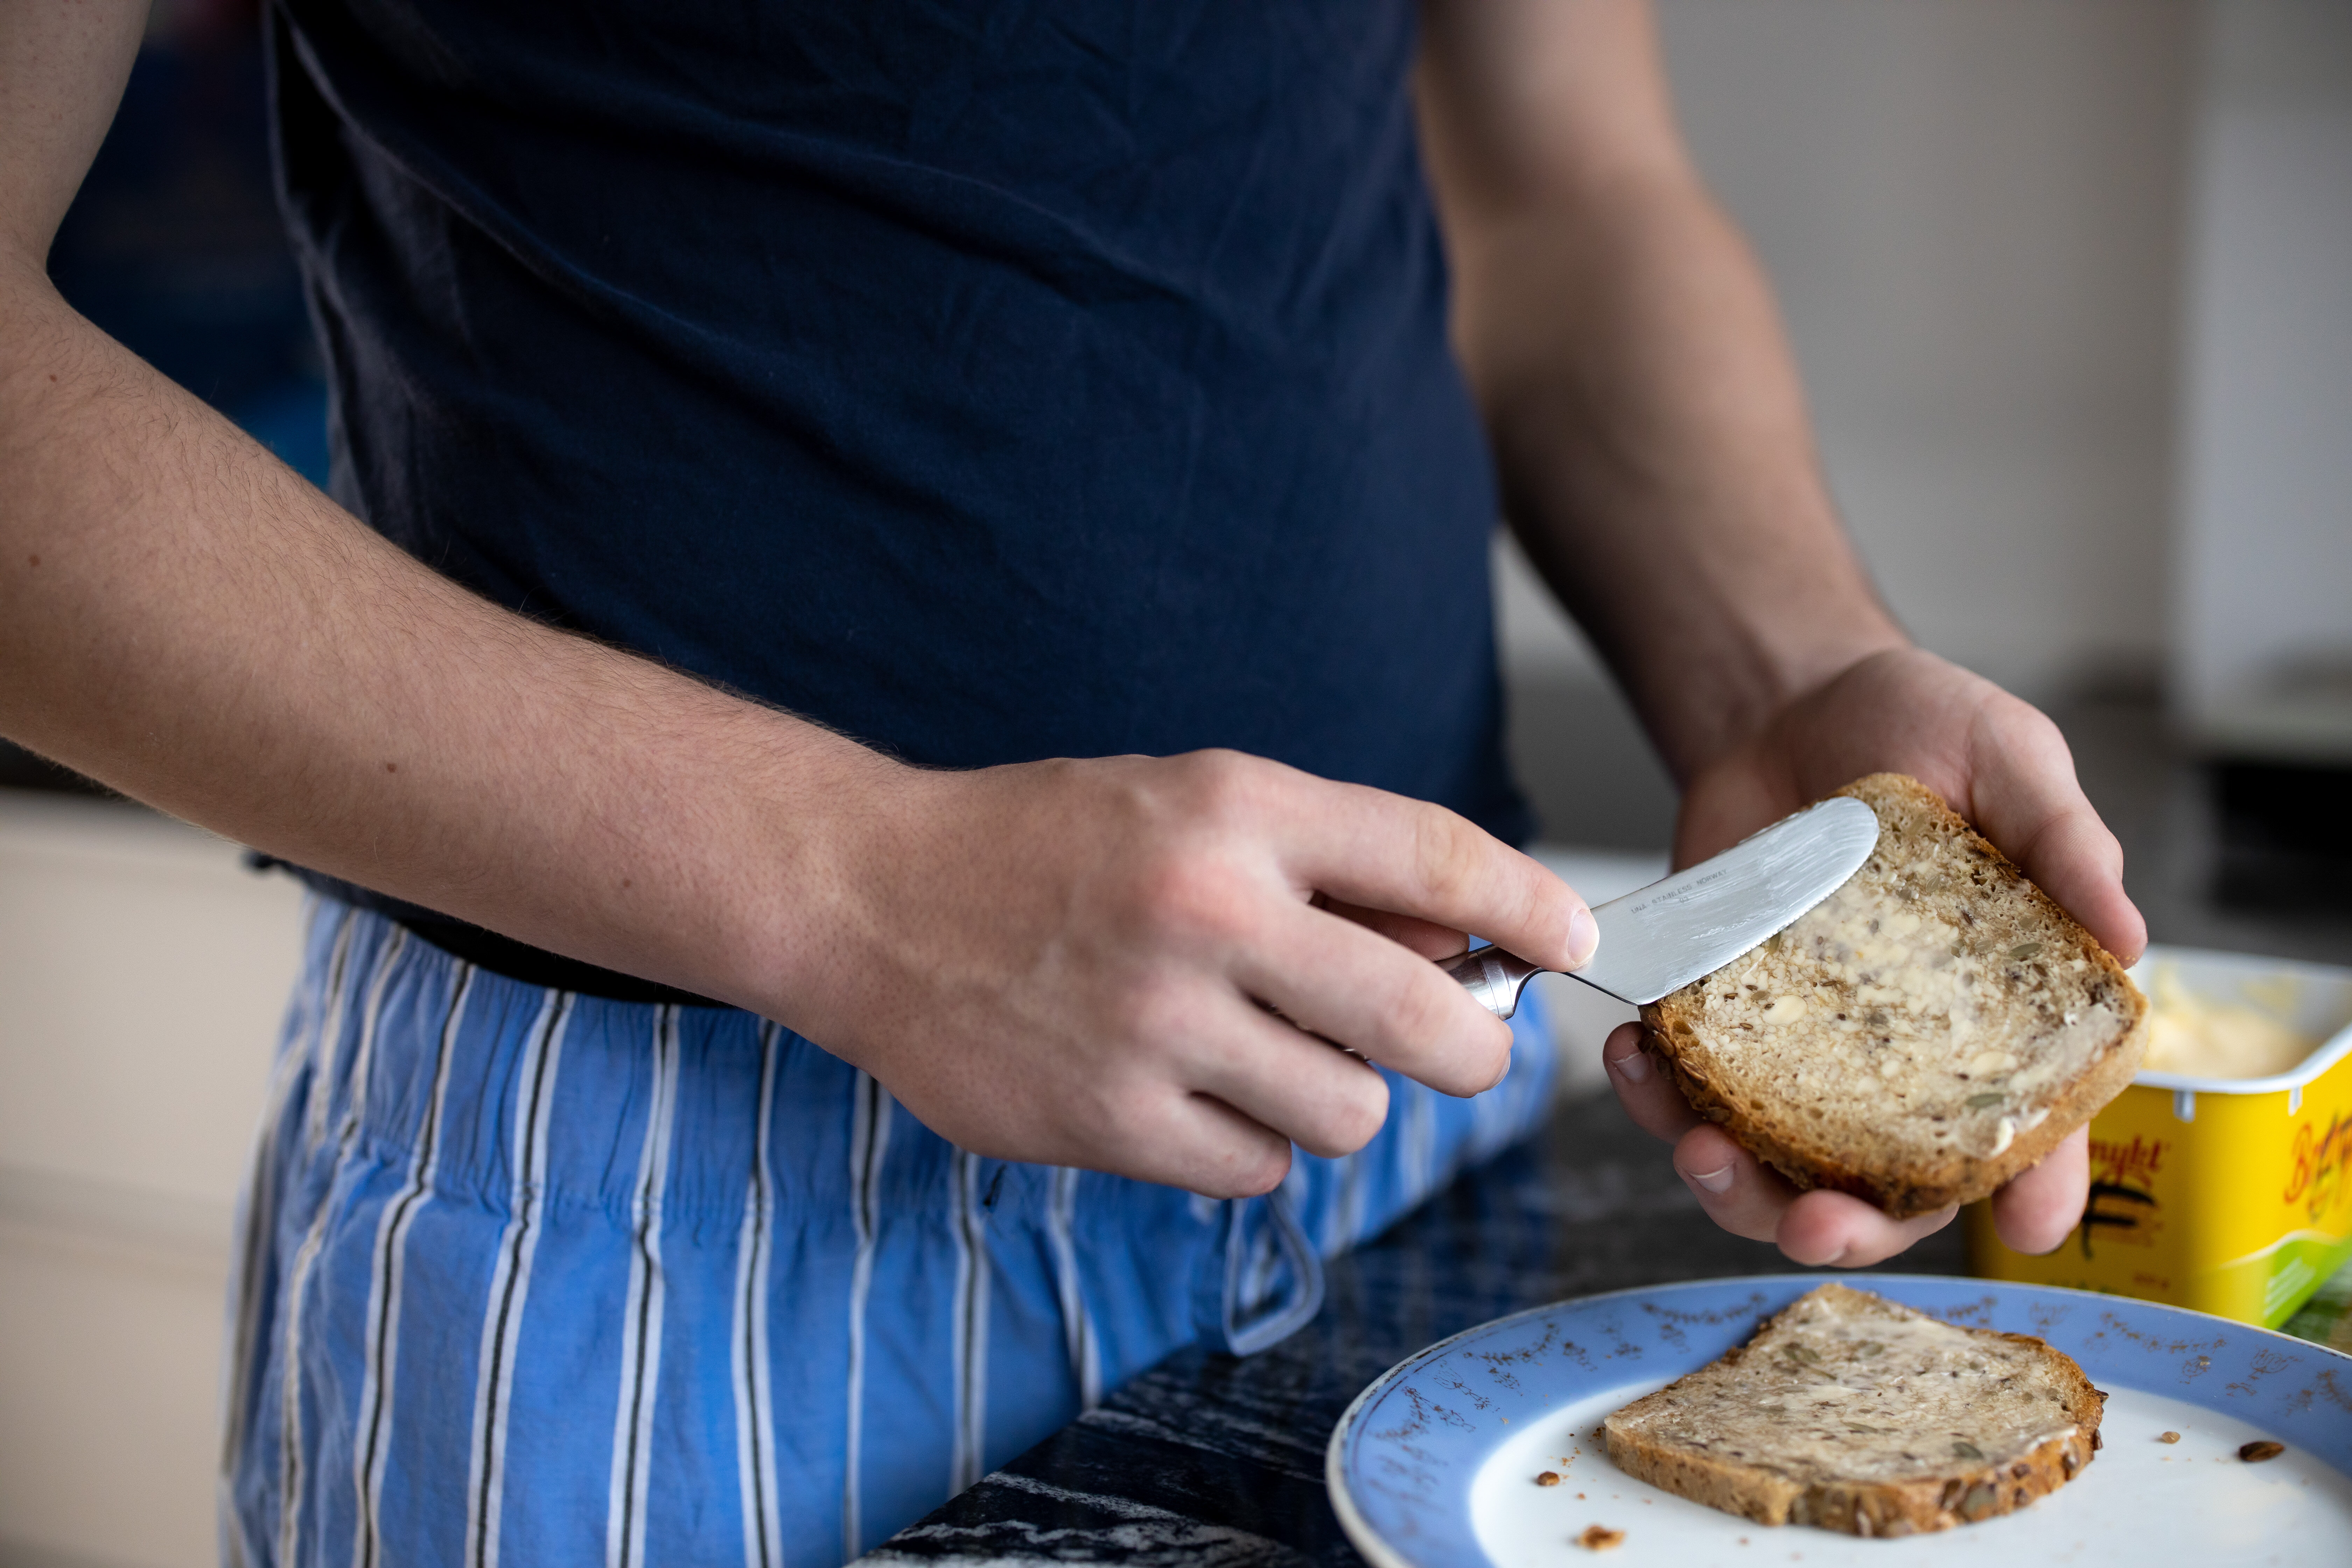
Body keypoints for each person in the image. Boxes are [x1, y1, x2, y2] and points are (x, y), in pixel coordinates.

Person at [0, 0, 2144, 1562]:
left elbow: (1554, 185)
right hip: (664, 1228)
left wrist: (1783, 676)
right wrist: (852, 883)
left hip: (1399, 1162)